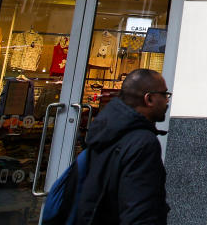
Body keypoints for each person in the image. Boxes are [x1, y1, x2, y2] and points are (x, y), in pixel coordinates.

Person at [72, 68, 171, 224]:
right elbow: (140, 213)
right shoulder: (142, 143)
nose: (167, 100)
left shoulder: (105, 132)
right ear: (149, 99)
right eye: (165, 94)